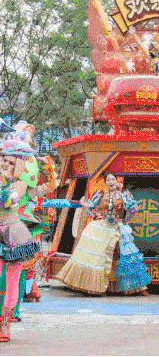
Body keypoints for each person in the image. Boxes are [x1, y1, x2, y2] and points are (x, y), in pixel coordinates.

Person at [55, 172, 150, 295]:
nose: (111, 182)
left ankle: (136, 287)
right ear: (105, 183)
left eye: (113, 179)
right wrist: (95, 215)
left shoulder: (123, 195)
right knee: (96, 253)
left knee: (127, 254)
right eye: (108, 180)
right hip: (102, 226)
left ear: (117, 181)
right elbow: (89, 206)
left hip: (117, 227)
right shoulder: (101, 195)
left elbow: (133, 209)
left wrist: (125, 221)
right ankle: (96, 286)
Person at [0, 139, 57, 342]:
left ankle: (5, 324)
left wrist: (49, 169)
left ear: (19, 166)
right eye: (4, 160)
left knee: (12, 281)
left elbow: (8, 201)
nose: (5, 164)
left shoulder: (20, 184)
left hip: (12, 234)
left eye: (11, 162)